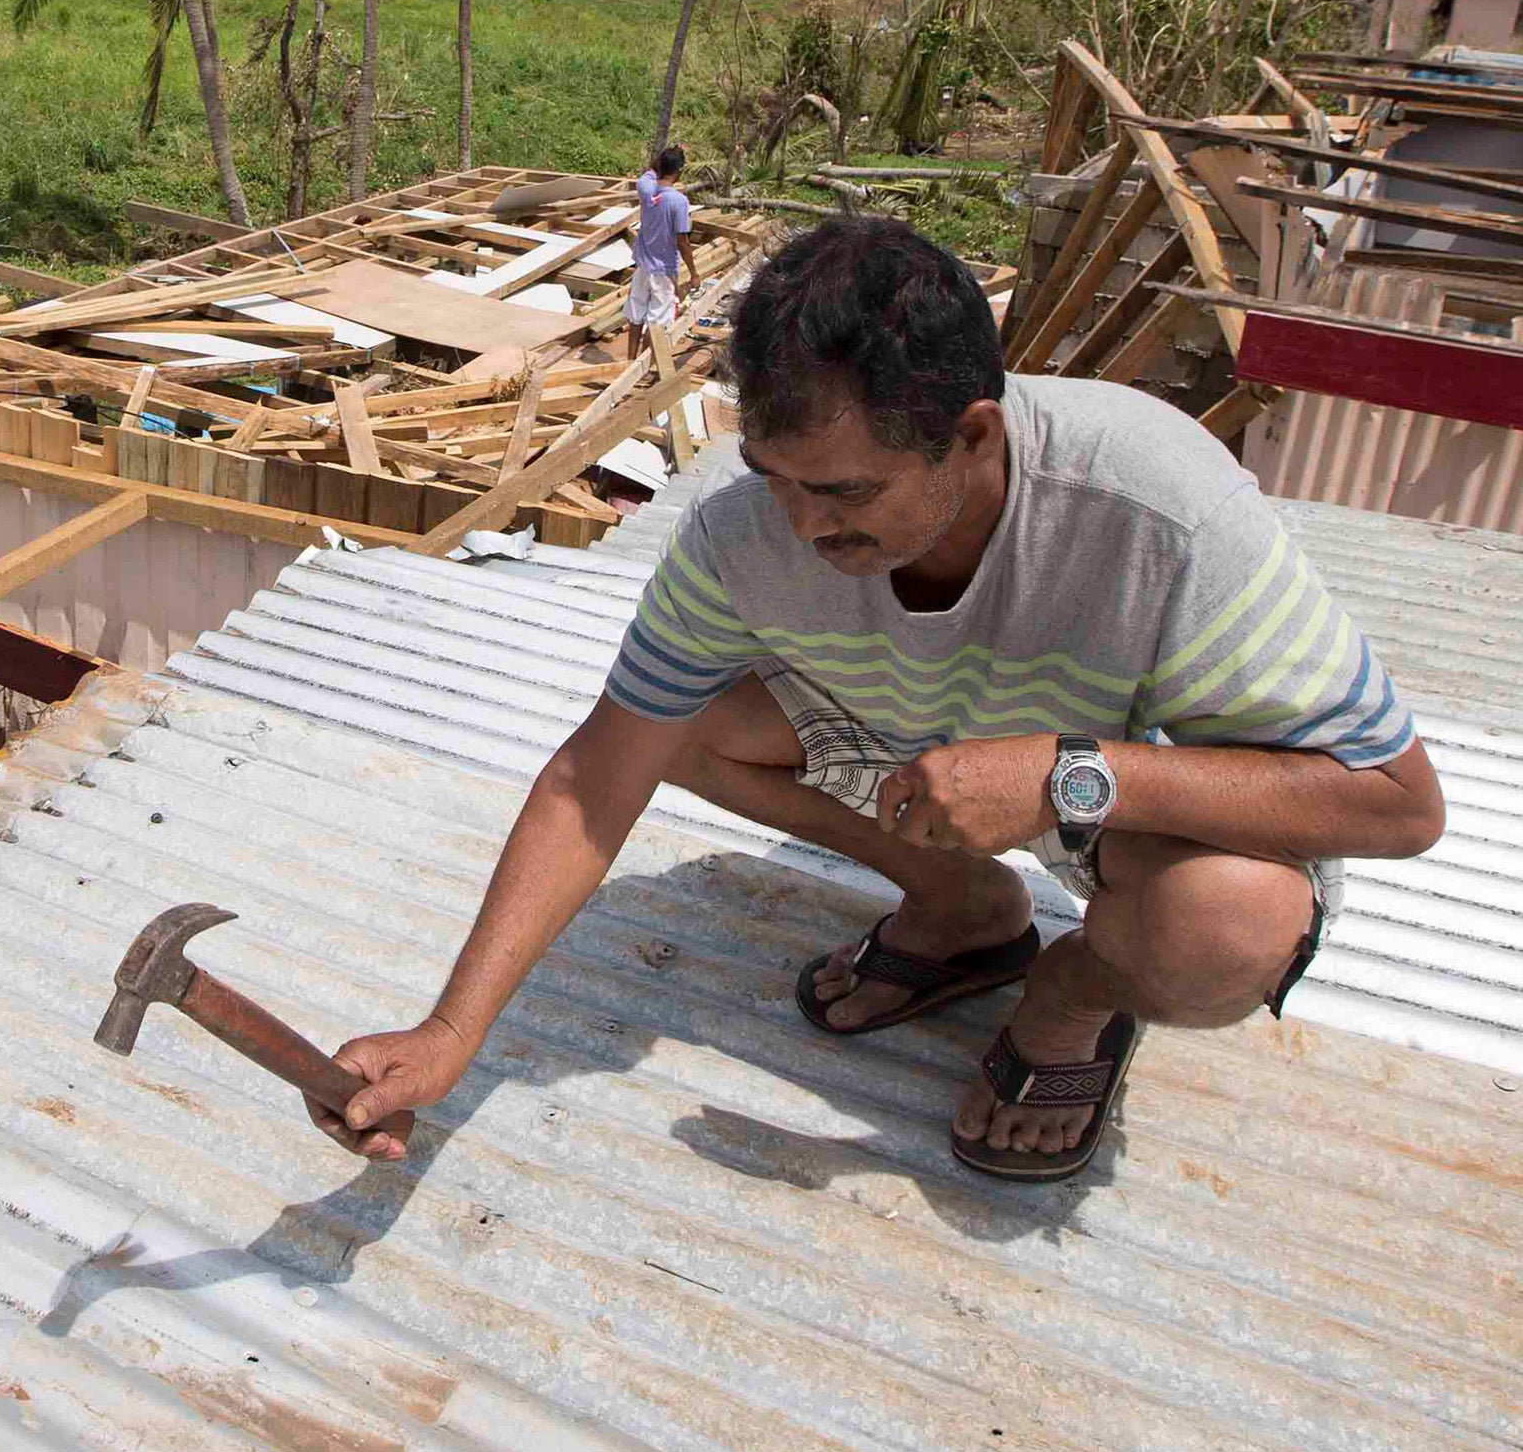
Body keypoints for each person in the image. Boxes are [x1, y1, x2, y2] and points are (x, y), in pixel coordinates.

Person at [325, 216, 1444, 1183]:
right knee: (683, 727)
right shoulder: (744, 533)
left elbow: (1399, 803)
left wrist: (1065, 773)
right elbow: (590, 775)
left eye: (847, 491)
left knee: (1228, 925)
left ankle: (1070, 983)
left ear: (972, 433)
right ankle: (965, 909)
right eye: (777, 478)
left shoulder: (1158, 504)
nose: (805, 528)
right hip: (927, 752)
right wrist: (452, 1028)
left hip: (1132, 810)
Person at [622, 146, 705, 355]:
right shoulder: (678, 201)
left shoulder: (645, 188)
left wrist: (666, 156)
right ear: (679, 170)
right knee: (657, 321)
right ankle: (641, 368)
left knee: (636, 314)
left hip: (643, 266)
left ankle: (630, 361)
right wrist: (694, 273)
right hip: (663, 270)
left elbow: (650, 172)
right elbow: (682, 241)